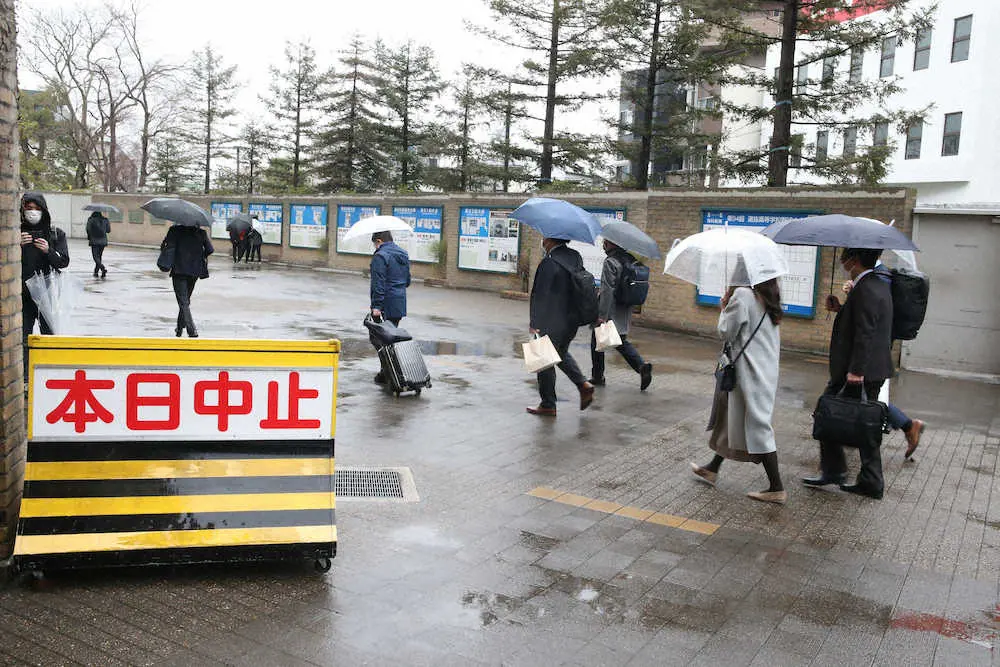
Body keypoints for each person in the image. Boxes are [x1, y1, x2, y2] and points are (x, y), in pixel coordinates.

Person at [804, 247, 893, 499]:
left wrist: (856, 371)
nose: (843, 263)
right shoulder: (874, 284)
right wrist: (841, 308)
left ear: (854, 260)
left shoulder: (866, 288)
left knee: (829, 413)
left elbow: (866, 331)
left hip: (857, 371)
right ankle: (859, 477)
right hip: (866, 368)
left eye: (845, 259)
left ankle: (843, 473)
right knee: (861, 423)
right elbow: (864, 322)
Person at [691, 279, 785, 504]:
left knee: (758, 427)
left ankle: (777, 488)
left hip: (748, 373)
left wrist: (724, 308)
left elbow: (725, 331)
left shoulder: (743, 295)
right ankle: (712, 468)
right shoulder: (769, 296)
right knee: (730, 417)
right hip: (763, 371)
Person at [843, 269, 925, 459]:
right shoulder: (877, 278)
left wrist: (856, 368)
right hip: (872, 354)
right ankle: (907, 426)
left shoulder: (878, 278)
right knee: (867, 401)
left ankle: (906, 426)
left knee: (868, 403)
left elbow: (870, 320)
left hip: (871, 355)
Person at [527, 237, 595, 417]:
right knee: (560, 352)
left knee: (543, 360)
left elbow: (541, 295)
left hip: (552, 319)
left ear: (549, 239)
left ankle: (548, 404)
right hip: (571, 319)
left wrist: (535, 323)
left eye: (543, 237)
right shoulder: (574, 256)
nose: (541, 240)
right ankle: (583, 384)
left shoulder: (549, 262)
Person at [588, 239, 653, 390]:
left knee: (598, 340)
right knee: (619, 340)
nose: (603, 244)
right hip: (625, 307)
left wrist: (603, 316)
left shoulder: (611, 262)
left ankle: (598, 376)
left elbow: (607, 289)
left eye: (606, 242)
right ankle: (641, 367)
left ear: (613, 244)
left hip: (612, 307)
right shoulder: (630, 259)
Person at [20, 193, 70, 380]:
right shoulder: (14, 233)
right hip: (21, 296)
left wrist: (48, 250)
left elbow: (63, 262)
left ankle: (49, 376)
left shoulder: (55, 234)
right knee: (23, 340)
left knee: (48, 336)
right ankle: (24, 378)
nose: (33, 212)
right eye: (29, 208)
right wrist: (16, 245)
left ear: (44, 210)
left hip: (47, 295)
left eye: (37, 208)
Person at [369, 230, 411, 384]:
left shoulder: (380, 256)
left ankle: (387, 372)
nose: (375, 247)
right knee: (391, 338)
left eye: (375, 243)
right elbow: (407, 281)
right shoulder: (403, 254)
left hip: (385, 303)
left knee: (378, 339)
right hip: (399, 301)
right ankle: (390, 372)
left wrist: (376, 306)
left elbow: (378, 283)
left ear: (379, 241)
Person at [161, 223, 214, 337]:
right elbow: (210, 249)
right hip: (194, 271)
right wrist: (199, 255)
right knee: (185, 301)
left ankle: (192, 330)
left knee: (183, 302)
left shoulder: (175, 230)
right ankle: (179, 328)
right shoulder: (201, 233)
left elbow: (166, 247)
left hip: (179, 270)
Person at [85, 210, 111, 278]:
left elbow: (88, 229)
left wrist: (90, 235)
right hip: (103, 241)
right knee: (99, 257)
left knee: (95, 257)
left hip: (94, 241)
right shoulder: (105, 220)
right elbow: (108, 230)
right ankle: (96, 272)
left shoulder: (91, 219)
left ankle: (102, 268)